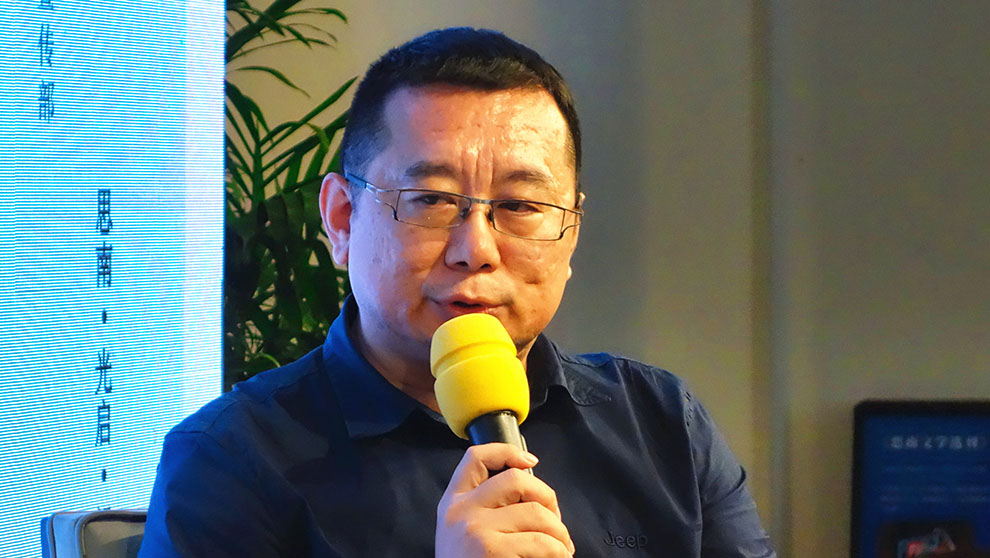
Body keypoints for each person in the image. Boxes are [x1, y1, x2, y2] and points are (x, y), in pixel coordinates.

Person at [139, 27, 775, 558]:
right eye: (432, 200)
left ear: (571, 233)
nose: (476, 248)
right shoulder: (231, 458)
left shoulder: (660, 422)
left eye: (521, 206)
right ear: (341, 220)